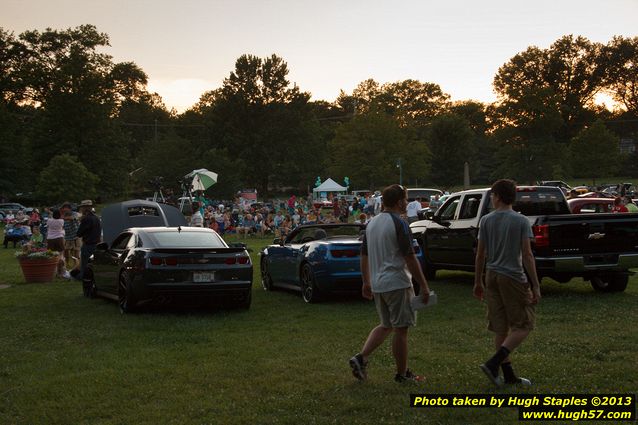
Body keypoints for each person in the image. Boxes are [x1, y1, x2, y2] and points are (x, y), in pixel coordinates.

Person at [349, 184, 430, 383]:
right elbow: (410, 257)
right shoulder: (399, 223)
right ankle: (402, 374)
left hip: (378, 283)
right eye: (406, 199)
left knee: (386, 325)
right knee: (401, 329)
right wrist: (424, 286)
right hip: (397, 282)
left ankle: (361, 358)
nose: (407, 203)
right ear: (399, 201)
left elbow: (364, 255)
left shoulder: (372, 223)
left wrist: (366, 282)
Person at [473, 179, 541, 387]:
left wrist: (478, 281)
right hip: (512, 276)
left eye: (492, 195)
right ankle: (494, 364)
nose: (491, 199)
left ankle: (508, 375)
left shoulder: (486, 220)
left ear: (499, 197)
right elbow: (527, 255)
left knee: (500, 328)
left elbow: (480, 254)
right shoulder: (520, 221)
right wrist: (535, 285)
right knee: (524, 325)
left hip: (491, 275)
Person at [75, 200, 102, 282]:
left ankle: (83, 278)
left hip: (88, 245)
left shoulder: (86, 219)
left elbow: (79, 233)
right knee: (94, 265)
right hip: (96, 244)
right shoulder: (96, 218)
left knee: (85, 264)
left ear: (85, 208)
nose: (81, 209)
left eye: (82, 207)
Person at [46, 209, 70, 279]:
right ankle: (62, 271)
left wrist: (50, 213)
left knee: (51, 256)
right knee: (61, 255)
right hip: (59, 238)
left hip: (50, 238)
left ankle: (53, 271)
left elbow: (48, 224)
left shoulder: (49, 220)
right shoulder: (61, 221)